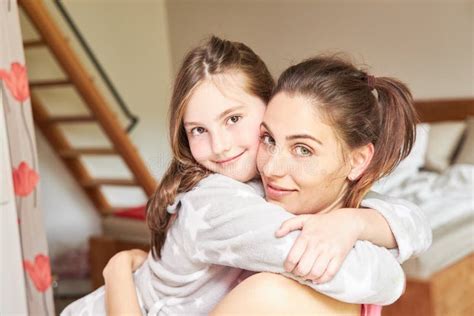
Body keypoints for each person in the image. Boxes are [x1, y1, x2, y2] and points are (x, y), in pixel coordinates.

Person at [61, 37, 431, 316]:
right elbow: (381, 279)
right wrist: (118, 274)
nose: (220, 148)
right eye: (198, 131)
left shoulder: (272, 190)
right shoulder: (217, 200)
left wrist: (354, 221)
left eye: (234, 119)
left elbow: (414, 222)